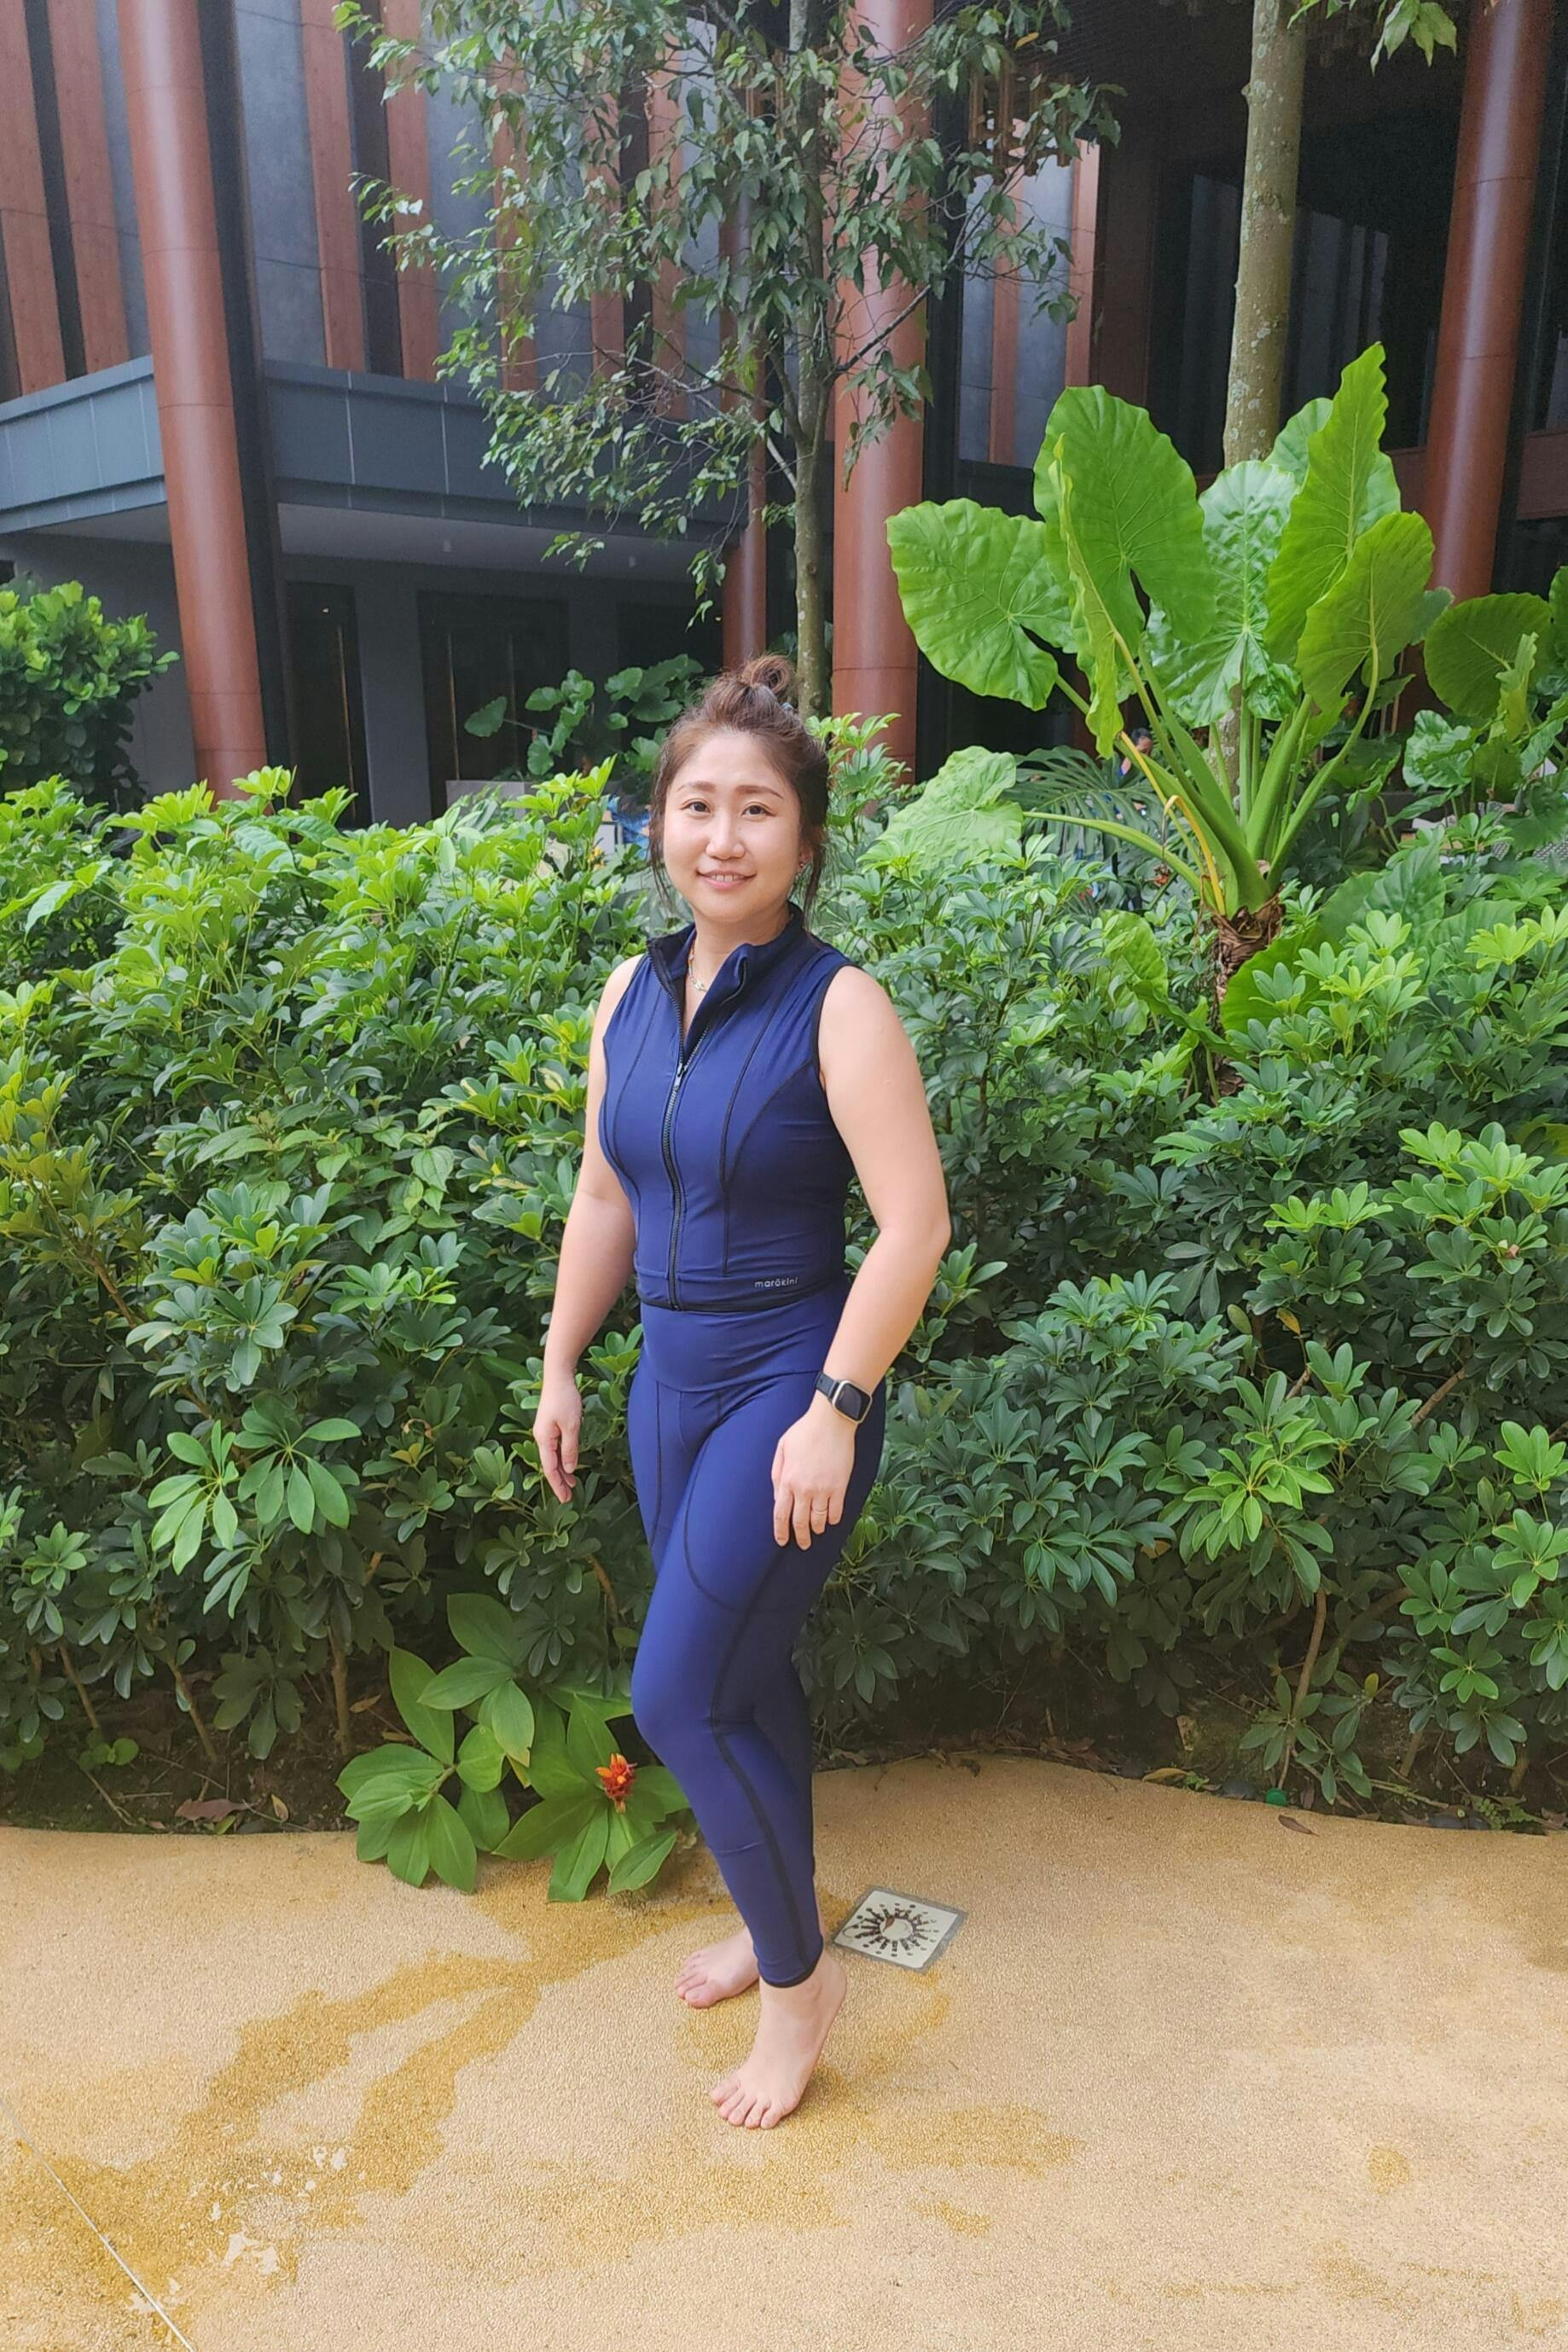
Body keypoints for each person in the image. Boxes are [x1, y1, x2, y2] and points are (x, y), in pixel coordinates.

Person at [533, 652, 950, 2129]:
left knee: (675, 1694)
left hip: (788, 1382)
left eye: (757, 808)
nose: (722, 836)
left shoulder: (841, 1007)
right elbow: (605, 1195)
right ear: (658, 823)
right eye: (697, 804)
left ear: (805, 838)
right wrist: (562, 1358)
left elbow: (913, 1226)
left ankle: (797, 1989)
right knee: (744, 1678)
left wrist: (835, 1408)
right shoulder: (627, 995)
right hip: (668, 1383)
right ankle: (780, 1921)